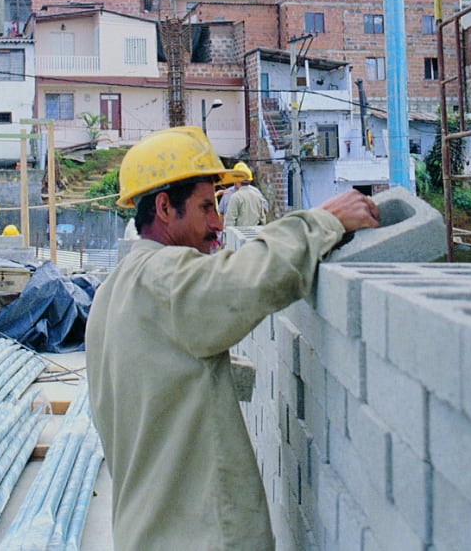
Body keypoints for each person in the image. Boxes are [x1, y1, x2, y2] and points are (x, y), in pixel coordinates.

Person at [85, 126, 379, 550]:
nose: (218, 223)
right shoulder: (166, 278)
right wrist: (324, 221)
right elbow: (250, 279)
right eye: (206, 207)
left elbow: (161, 375)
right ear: (165, 208)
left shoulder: (113, 293)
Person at [224, 162, 268, 227]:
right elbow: (263, 219)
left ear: (237, 180)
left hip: (239, 234)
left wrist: (227, 235)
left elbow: (229, 221)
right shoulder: (257, 196)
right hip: (255, 234)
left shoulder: (235, 197)